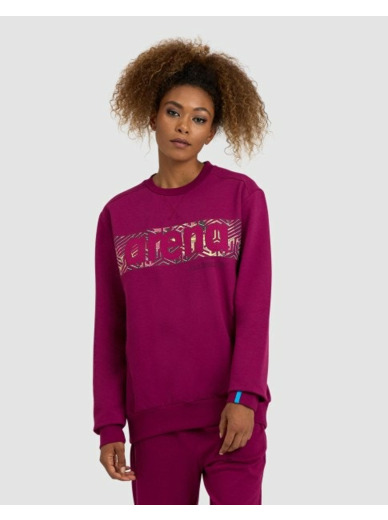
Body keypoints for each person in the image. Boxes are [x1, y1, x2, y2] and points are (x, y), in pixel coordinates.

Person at [92, 36, 273, 505]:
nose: (183, 126)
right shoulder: (118, 214)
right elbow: (110, 327)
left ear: (211, 132)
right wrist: (109, 424)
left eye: (199, 118)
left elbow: (254, 308)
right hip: (154, 425)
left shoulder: (241, 197)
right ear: (152, 116)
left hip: (232, 419)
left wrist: (243, 398)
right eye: (173, 112)